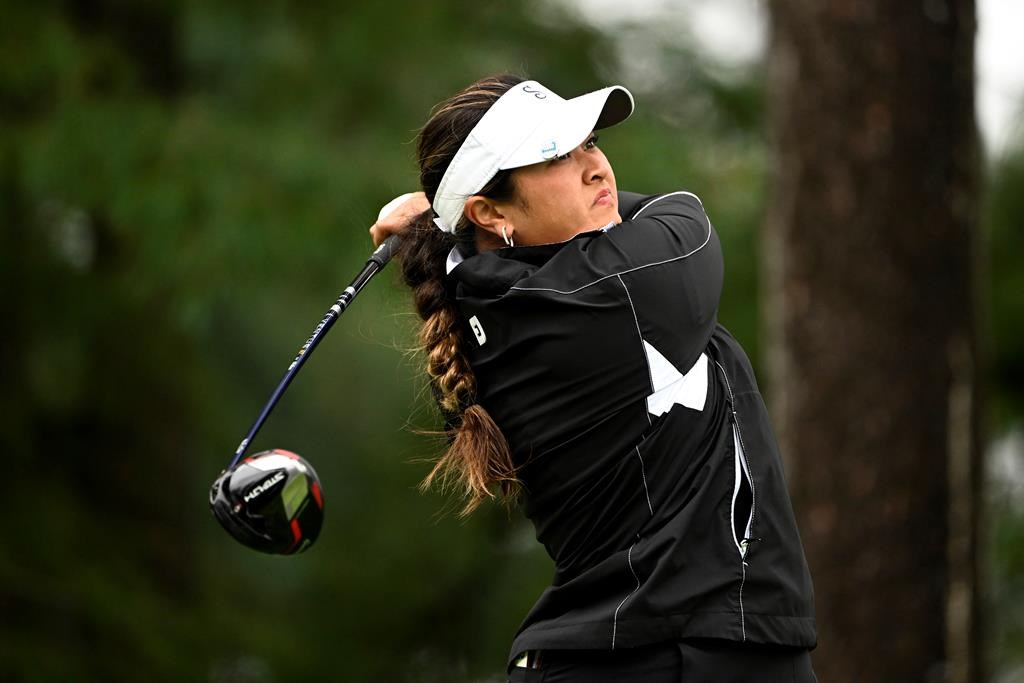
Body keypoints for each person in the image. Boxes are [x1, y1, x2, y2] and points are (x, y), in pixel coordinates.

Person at [370, 74, 817, 683]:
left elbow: (538, 236)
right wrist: (439, 218)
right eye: (556, 155)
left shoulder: (487, 311)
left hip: (629, 651)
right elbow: (681, 214)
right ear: (490, 211)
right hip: (675, 653)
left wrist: (449, 222)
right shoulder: (612, 291)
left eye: (589, 143)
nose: (597, 169)